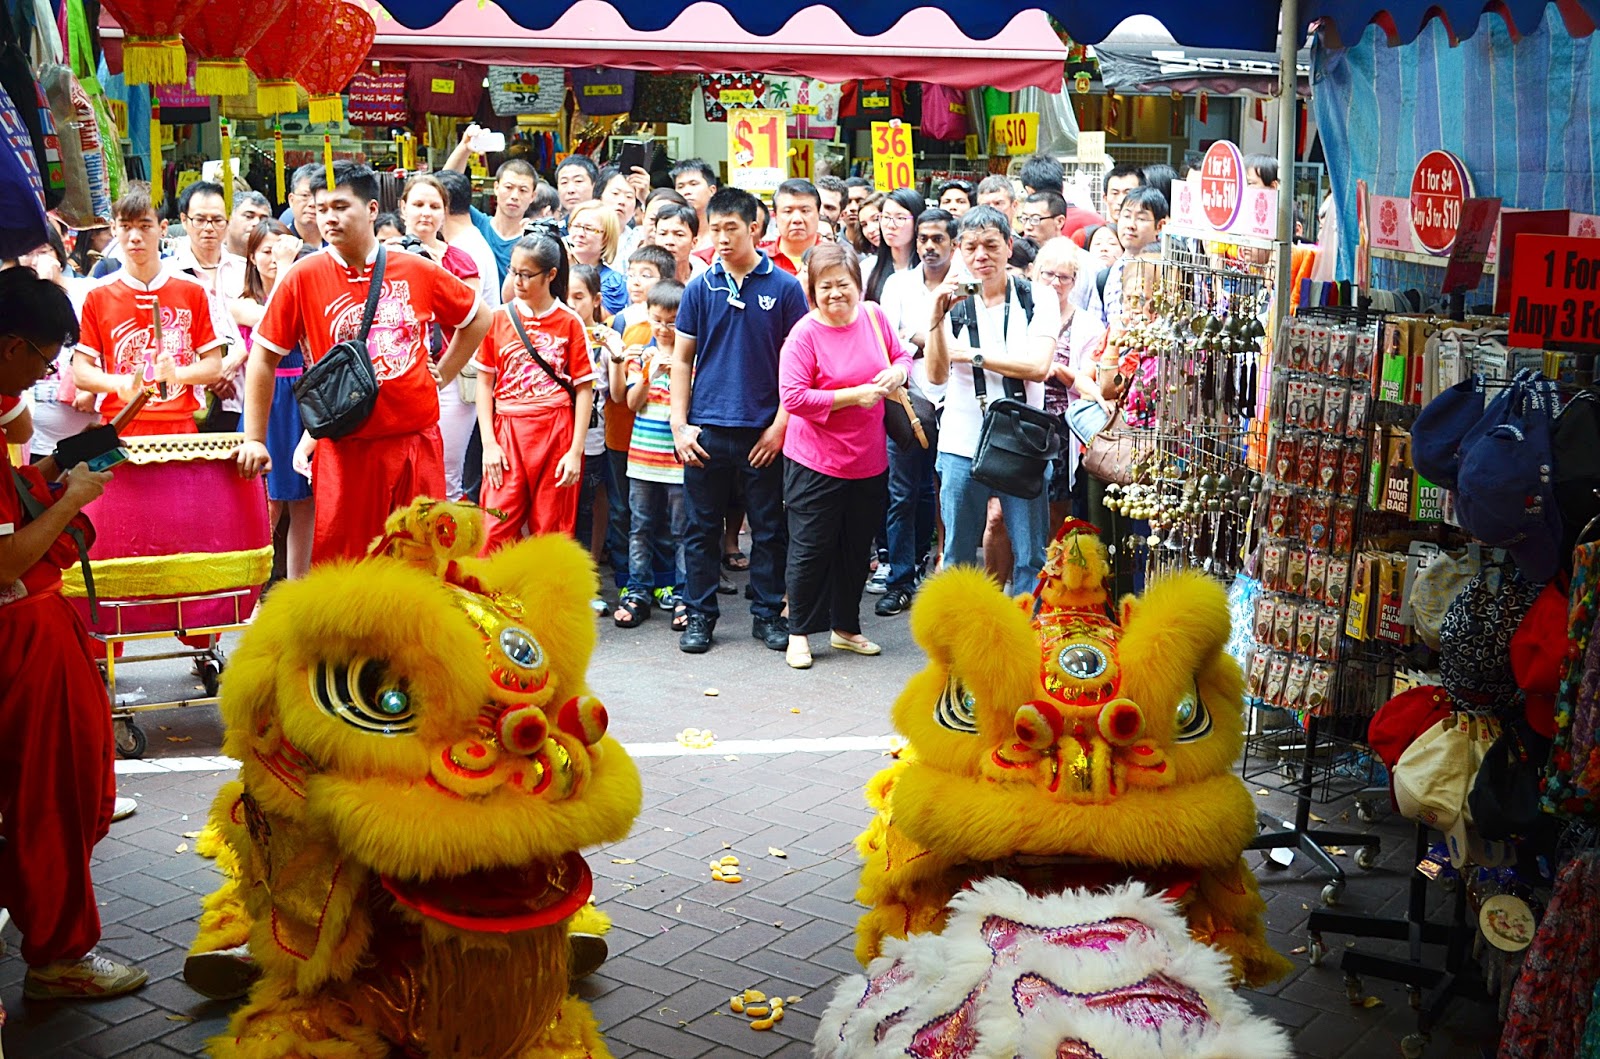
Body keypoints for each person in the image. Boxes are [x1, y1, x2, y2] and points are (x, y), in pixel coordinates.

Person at [0, 265, 148, 1001]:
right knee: (48, 796)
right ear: (10, 348)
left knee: (58, 788)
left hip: (37, 628)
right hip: (20, 633)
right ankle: (57, 955)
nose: (48, 372)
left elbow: (17, 487)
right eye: (46, 354)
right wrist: (73, 501)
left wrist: (61, 464)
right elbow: (3, 561)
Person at [236, 162, 490, 565]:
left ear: (373, 209)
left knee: (420, 568)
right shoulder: (303, 276)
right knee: (348, 571)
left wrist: (446, 371)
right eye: (321, 209)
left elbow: (479, 317)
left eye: (340, 206)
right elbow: (263, 357)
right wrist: (253, 437)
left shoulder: (416, 268)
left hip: (416, 445)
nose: (329, 218)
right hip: (345, 450)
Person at [670, 187, 808, 654]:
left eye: (732, 227)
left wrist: (781, 425)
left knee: (769, 528)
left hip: (763, 430)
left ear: (754, 227)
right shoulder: (699, 287)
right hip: (706, 429)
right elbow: (680, 359)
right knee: (700, 528)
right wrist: (679, 425)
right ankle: (700, 617)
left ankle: (768, 614)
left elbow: (799, 362)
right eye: (716, 229)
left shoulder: (785, 288)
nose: (723, 238)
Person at [778, 242, 911, 669]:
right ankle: (798, 631)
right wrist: (853, 396)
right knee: (811, 547)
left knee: (857, 548)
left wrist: (899, 371)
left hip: (868, 460)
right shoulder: (804, 334)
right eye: (826, 286)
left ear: (858, 284)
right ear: (812, 290)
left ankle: (846, 627)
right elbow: (793, 397)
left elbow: (903, 354)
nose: (836, 294)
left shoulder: (873, 316)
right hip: (815, 461)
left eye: (844, 284)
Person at [925, 205, 1059, 592]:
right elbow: (935, 377)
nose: (980, 256)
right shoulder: (950, 302)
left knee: (1032, 556)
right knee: (957, 555)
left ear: (1009, 246)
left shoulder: (1037, 297)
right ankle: (960, 641)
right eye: (970, 248)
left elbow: (1038, 366)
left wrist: (971, 356)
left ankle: (1024, 638)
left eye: (990, 245)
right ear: (958, 251)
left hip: (1023, 444)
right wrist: (935, 318)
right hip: (961, 442)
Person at [73, 185, 225, 436]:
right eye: (125, 226)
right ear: (113, 229)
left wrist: (177, 374)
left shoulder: (194, 290)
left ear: (162, 228)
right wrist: (119, 383)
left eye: (144, 226)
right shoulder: (97, 294)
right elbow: (81, 371)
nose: (135, 236)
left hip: (179, 427)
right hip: (118, 425)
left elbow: (214, 366)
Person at [475, 230, 594, 548]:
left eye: (526, 275)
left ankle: (548, 598)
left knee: (552, 530)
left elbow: (585, 389)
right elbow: (485, 383)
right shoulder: (498, 319)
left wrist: (574, 452)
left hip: (555, 432)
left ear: (551, 274)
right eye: (514, 272)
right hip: (507, 433)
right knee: (493, 528)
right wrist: (489, 443)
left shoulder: (569, 322)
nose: (518, 281)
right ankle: (491, 597)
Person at [875, 207, 956, 616]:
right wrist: (926, 340)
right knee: (902, 493)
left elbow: (957, 349)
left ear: (953, 243)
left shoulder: (964, 287)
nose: (928, 246)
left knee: (944, 492)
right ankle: (900, 580)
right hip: (907, 400)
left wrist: (919, 338)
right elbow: (888, 341)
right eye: (923, 239)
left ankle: (941, 567)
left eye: (938, 239)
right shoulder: (898, 284)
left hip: (955, 402)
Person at [231, 219, 313, 580]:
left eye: (281, 250)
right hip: (267, 403)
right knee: (267, 502)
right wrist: (285, 270)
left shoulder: (303, 291)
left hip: (303, 399)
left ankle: (299, 588)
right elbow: (272, 324)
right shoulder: (243, 303)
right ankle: (251, 591)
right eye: (267, 252)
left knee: (307, 501)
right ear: (252, 257)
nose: (274, 258)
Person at [397, 174, 481, 501]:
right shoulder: (383, 255)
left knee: (446, 473)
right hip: (394, 380)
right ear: (403, 208)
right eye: (418, 204)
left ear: (445, 213)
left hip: (446, 377)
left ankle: (446, 548)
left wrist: (432, 272)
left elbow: (470, 321)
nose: (426, 213)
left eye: (435, 206)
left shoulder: (460, 261)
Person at [615, 279, 688, 630]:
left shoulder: (693, 356)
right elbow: (630, 402)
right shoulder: (643, 353)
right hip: (642, 459)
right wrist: (649, 373)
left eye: (672, 322)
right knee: (640, 527)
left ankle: (683, 594)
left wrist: (677, 372)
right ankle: (638, 589)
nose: (663, 328)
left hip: (678, 462)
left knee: (682, 531)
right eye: (657, 320)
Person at [1034, 237, 1108, 528]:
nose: (1055, 282)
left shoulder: (1088, 324)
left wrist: (1057, 370)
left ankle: (1051, 570)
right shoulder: (1023, 312)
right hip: (1024, 422)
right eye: (1048, 274)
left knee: (1057, 510)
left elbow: (1088, 379)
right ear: (1036, 273)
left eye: (1063, 277)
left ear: (1075, 281)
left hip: (1060, 429)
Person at [171, 180, 249, 431]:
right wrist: (209, 371)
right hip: (190, 398)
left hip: (243, 395)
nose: (208, 228)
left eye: (217, 220)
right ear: (184, 221)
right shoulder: (170, 274)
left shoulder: (246, 270)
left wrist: (234, 360)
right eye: (199, 219)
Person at [565, 263, 615, 567]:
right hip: (557, 433)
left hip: (595, 438)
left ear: (596, 299)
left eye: (579, 297)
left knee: (593, 502)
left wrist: (619, 357)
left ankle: (591, 566)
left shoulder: (607, 338)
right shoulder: (555, 331)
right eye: (566, 296)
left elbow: (617, 393)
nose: (571, 304)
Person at [444, 129, 538, 284]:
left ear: (533, 196)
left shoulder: (533, 240)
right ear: (496, 188)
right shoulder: (475, 223)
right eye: (508, 187)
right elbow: (446, 187)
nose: (514, 195)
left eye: (523, 190)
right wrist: (464, 147)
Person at [1096, 185, 1169, 331]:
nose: (1131, 225)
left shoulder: (1168, 272)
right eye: (1126, 216)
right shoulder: (1106, 276)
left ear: (1160, 226)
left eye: (1141, 218)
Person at [436, 169, 502, 309]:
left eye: (432, 205)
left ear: (444, 206)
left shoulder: (464, 249)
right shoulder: (469, 241)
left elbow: (465, 314)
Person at [566, 200, 628, 316]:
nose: (580, 233)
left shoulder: (613, 282)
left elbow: (604, 320)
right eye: (576, 226)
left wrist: (573, 271)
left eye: (589, 229)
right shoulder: (555, 270)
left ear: (606, 238)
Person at [864, 187, 921, 302]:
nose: (891, 225)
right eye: (886, 217)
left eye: (900, 218)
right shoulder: (868, 268)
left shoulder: (929, 269)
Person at [762, 178, 820, 276]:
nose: (797, 219)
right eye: (788, 211)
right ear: (775, 216)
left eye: (805, 211)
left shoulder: (836, 258)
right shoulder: (761, 261)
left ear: (818, 214)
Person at [669, 159, 719, 262]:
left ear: (712, 190)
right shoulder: (668, 235)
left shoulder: (722, 236)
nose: (686, 192)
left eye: (693, 184)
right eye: (680, 186)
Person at [652, 203, 705, 283]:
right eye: (663, 234)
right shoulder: (642, 278)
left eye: (679, 235)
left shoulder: (705, 279)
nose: (669, 241)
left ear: (694, 242)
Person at [285, 163, 324, 248]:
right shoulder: (279, 241)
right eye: (305, 196)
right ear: (291, 200)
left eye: (318, 197)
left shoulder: (339, 244)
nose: (312, 203)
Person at [224, 190, 272, 258]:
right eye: (248, 216)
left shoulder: (275, 263)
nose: (256, 223)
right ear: (228, 219)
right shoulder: (210, 260)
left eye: (263, 220)